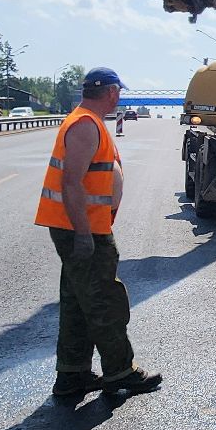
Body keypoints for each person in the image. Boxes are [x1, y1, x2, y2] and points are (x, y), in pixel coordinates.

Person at [33, 66, 160, 402]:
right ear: (112, 92)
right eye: (119, 93)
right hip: (83, 227)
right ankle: (120, 370)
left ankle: (72, 376)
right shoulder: (85, 125)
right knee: (105, 300)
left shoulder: (87, 121)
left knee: (78, 302)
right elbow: (71, 181)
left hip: (81, 225)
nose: (119, 98)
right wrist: (84, 234)